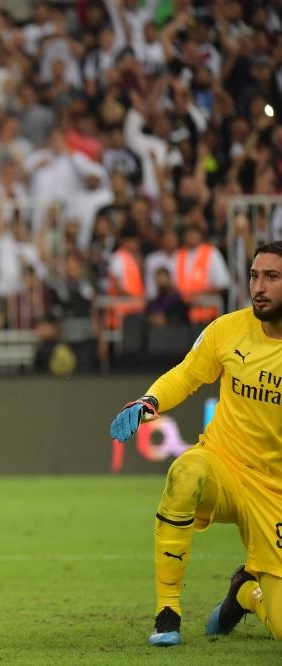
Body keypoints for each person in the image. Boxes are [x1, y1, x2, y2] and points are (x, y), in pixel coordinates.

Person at [109, 240, 282, 647]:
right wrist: (149, 401)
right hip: (224, 465)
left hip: (274, 493)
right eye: (255, 275)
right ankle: (167, 612)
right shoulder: (227, 330)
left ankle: (243, 593)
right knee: (185, 470)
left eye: (272, 277)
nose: (259, 286)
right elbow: (186, 376)